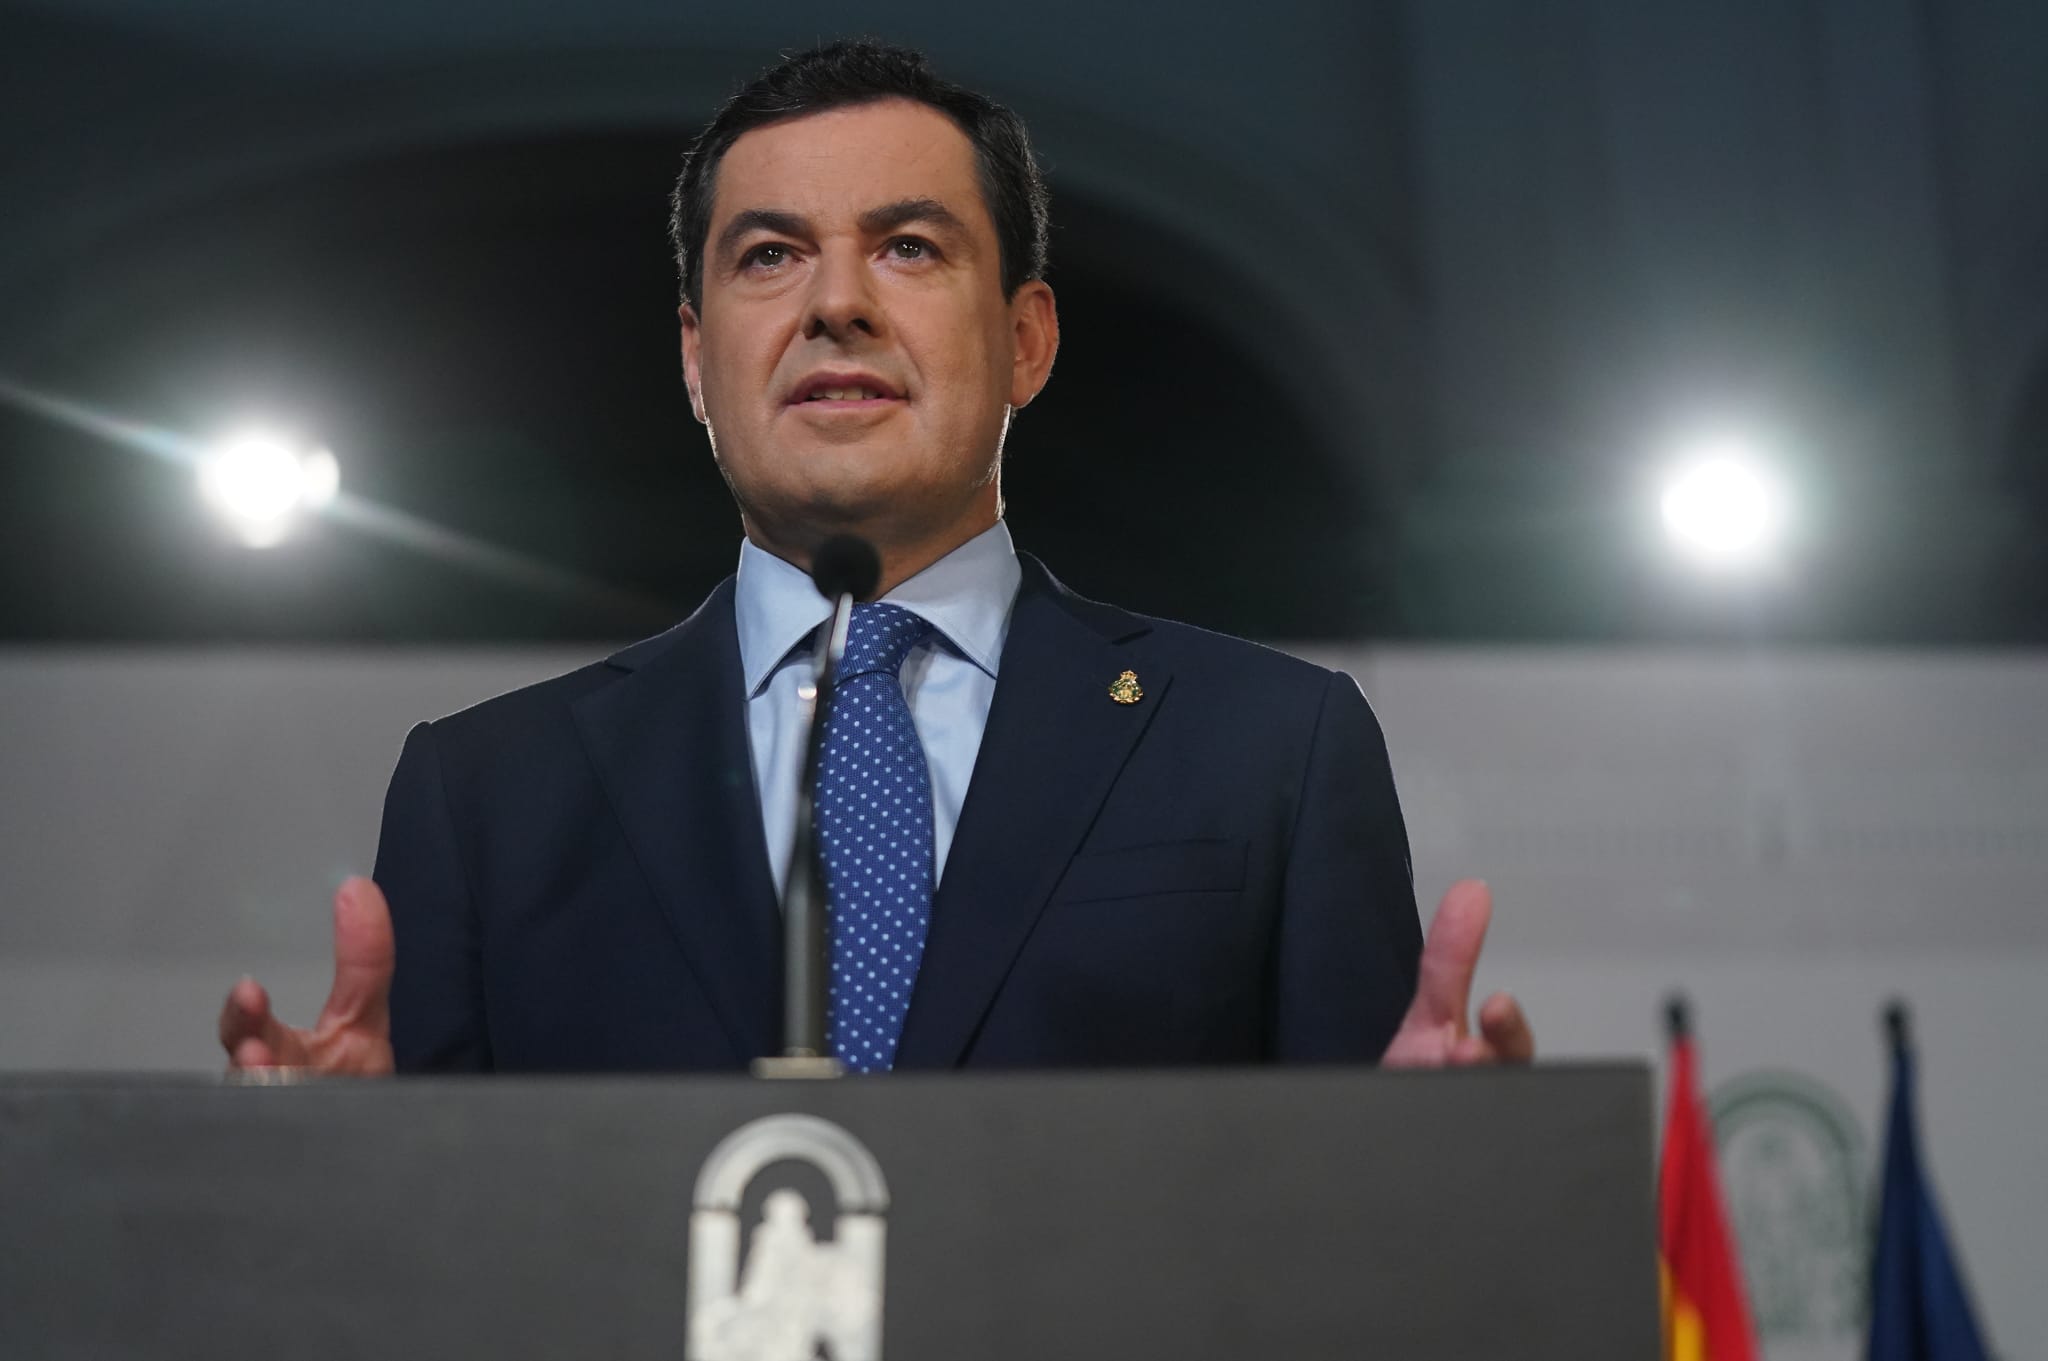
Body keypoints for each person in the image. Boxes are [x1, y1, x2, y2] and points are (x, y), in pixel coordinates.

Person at [218, 40, 1533, 1076]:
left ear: (1026, 338)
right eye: (771, 254)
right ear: (695, 357)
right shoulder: (487, 796)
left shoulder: (1271, 748)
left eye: (908, 247)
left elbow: (1364, 1231)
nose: (835, 302)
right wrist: (342, 1162)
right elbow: (432, 1259)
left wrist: (1424, 1158)